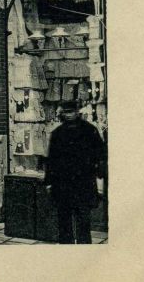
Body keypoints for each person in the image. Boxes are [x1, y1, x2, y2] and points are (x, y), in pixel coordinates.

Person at [44, 101, 106, 244]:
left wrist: (98, 171)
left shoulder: (90, 130)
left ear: (78, 112)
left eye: (71, 111)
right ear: (62, 114)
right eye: (66, 112)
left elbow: (101, 153)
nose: (69, 114)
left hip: (83, 182)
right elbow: (51, 160)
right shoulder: (57, 133)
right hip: (62, 183)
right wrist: (49, 182)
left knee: (83, 221)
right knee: (64, 221)